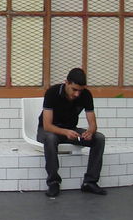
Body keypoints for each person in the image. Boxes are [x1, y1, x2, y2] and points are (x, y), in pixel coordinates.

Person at [37, 68, 106, 197]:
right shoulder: (52, 92)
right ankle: (53, 183)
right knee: (50, 139)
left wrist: (90, 132)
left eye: (80, 90)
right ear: (66, 83)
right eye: (74, 89)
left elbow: (93, 124)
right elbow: (47, 126)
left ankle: (90, 182)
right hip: (49, 130)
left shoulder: (86, 95)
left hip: (71, 130)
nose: (77, 94)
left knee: (99, 138)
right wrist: (65, 132)